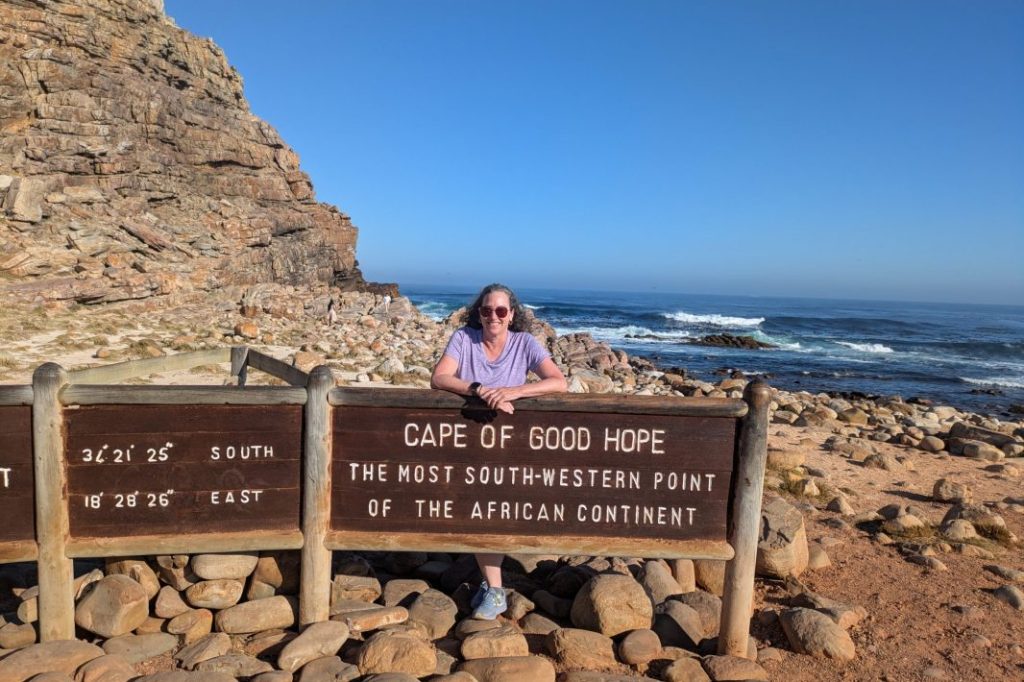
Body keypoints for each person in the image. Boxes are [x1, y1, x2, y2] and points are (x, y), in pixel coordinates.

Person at [431, 283, 567, 618]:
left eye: (501, 311)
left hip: (511, 444)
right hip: (471, 440)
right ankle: (495, 589)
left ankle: (493, 585)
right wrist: (479, 389)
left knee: (494, 507)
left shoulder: (524, 343)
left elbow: (557, 381)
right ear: (479, 313)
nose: (494, 316)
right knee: (481, 506)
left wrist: (511, 391)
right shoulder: (464, 339)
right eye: (487, 310)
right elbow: (440, 377)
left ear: (511, 316)